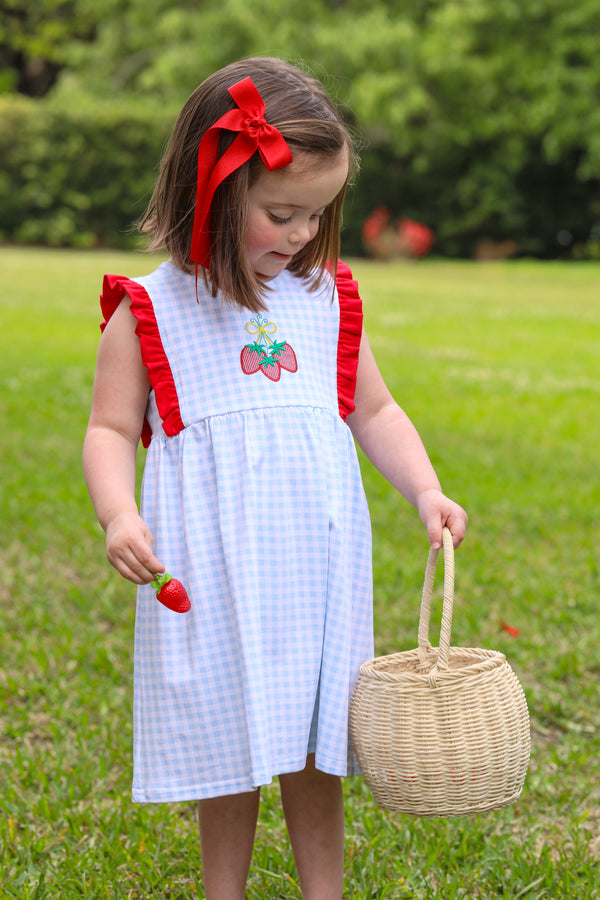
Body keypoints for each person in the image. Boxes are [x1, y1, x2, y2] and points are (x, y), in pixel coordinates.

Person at [83, 56, 467, 900]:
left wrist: (426, 487)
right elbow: (111, 429)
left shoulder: (324, 297)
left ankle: (319, 891)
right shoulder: (150, 310)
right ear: (212, 190)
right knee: (231, 742)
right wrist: (118, 514)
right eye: (279, 212)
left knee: (313, 741)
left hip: (314, 571)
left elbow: (376, 412)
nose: (298, 235)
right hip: (216, 573)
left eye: (315, 216)